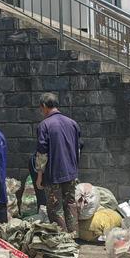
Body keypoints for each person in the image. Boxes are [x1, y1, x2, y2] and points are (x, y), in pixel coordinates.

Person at [34, 93, 81, 236]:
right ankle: (73, 237)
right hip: (71, 173)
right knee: (70, 204)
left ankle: (62, 241)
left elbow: (42, 152)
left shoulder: (45, 125)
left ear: (43, 106)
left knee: (55, 208)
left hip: (53, 174)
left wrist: (39, 175)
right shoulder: (72, 123)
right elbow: (78, 148)